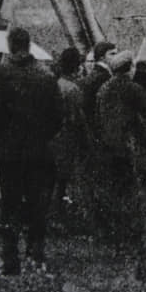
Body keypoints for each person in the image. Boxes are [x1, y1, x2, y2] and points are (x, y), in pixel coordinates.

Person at [0, 28, 63, 274]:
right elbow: (57, 118)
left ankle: (10, 259)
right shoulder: (46, 76)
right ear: (29, 45)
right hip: (38, 151)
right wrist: (41, 138)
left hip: (9, 153)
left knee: (9, 204)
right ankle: (35, 253)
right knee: (37, 204)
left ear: (10, 45)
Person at [94, 50, 146, 241]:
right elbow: (142, 118)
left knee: (112, 189)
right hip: (127, 146)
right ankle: (131, 230)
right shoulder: (134, 89)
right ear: (129, 68)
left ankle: (112, 230)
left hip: (106, 146)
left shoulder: (103, 89)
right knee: (130, 190)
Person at [50, 47, 89, 217]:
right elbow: (77, 119)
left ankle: (50, 212)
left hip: (52, 137)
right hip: (67, 138)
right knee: (62, 178)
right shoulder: (73, 89)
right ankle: (56, 213)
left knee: (52, 178)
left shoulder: (55, 84)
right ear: (76, 67)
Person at [78, 41, 117, 130]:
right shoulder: (104, 77)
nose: (116, 57)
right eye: (112, 54)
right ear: (102, 57)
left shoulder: (93, 76)